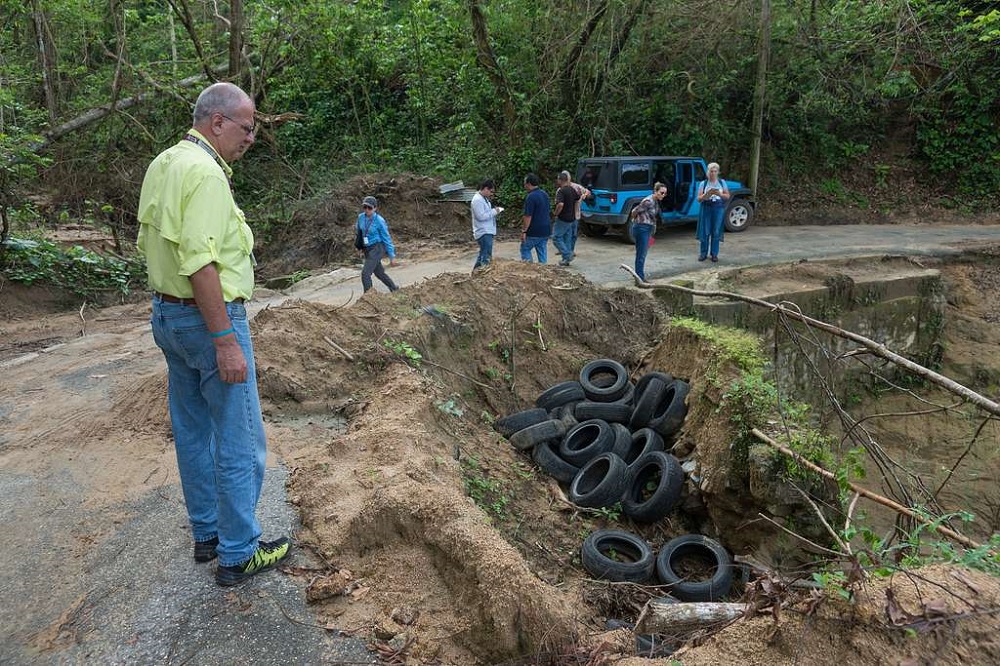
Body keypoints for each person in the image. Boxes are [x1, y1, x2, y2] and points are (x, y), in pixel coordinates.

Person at [137, 82, 291, 587]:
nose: (251, 138)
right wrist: (224, 338)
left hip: (168, 316)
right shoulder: (205, 174)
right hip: (210, 320)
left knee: (193, 431)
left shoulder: (165, 163)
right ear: (218, 121)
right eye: (247, 128)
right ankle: (239, 551)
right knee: (240, 436)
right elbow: (200, 262)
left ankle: (208, 534)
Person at [356, 195, 400, 293]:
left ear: (375, 208)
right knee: (379, 273)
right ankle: (394, 289)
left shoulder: (379, 221)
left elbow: (386, 238)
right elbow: (359, 233)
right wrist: (359, 247)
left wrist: (392, 257)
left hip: (377, 247)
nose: (367, 210)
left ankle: (369, 297)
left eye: (369, 208)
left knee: (365, 274)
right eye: (365, 207)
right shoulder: (361, 218)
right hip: (367, 248)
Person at [629, 182, 669, 284]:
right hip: (642, 228)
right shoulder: (648, 201)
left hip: (648, 229)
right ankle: (639, 279)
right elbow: (634, 211)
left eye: (665, 193)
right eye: (661, 193)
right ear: (655, 191)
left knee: (645, 250)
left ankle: (640, 276)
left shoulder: (655, 201)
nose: (663, 195)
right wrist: (636, 221)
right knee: (641, 254)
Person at [696, 162, 731, 262]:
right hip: (706, 207)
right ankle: (703, 253)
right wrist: (706, 195)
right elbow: (698, 199)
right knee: (705, 231)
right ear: (708, 172)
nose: (713, 173)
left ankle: (714, 254)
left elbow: (727, 196)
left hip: (718, 208)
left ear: (718, 172)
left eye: (715, 171)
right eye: (711, 171)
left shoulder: (722, 182)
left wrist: (719, 194)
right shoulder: (704, 183)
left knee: (716, 231)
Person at [470, 179, 503, 273]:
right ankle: (484, 274)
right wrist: (494, 211)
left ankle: (475, 273)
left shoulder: (483, 199)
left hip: (487, 230)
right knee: (486, 255)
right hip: (483, 231)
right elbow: (481, 216)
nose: (491, 194)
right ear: (485, 189)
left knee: (483, 253)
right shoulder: (477, 200)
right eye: (491, 191)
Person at [520, 173, 550, 263]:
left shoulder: (530, 197)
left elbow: (528, 216)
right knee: (542, 251)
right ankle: (543, 270)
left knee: (525, 248)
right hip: (545, 229)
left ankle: (530, 269)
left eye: (524, 183)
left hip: (534, 230)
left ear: (528, 184)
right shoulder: (544, 194)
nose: (524, 185)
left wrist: (524, 231)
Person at [552, 172, 579, 266]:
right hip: (572, 218)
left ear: (560, 180)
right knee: (567, 239)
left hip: (563, 218)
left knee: (556, 237)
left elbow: (560, 204)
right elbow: (577, 199)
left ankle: (567, 255)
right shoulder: (572, 189)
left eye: (558, 179)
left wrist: (556, 213)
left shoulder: (561, 191)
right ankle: (565, 260)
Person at [563, 170, 591, 259]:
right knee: (566, 234)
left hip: (575, 214)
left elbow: (587, 192)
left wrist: (585, 195)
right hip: (566, 215)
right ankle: (566, 251)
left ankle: (570, 250)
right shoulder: (561, 189)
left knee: (573, 234)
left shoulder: (577, 187)